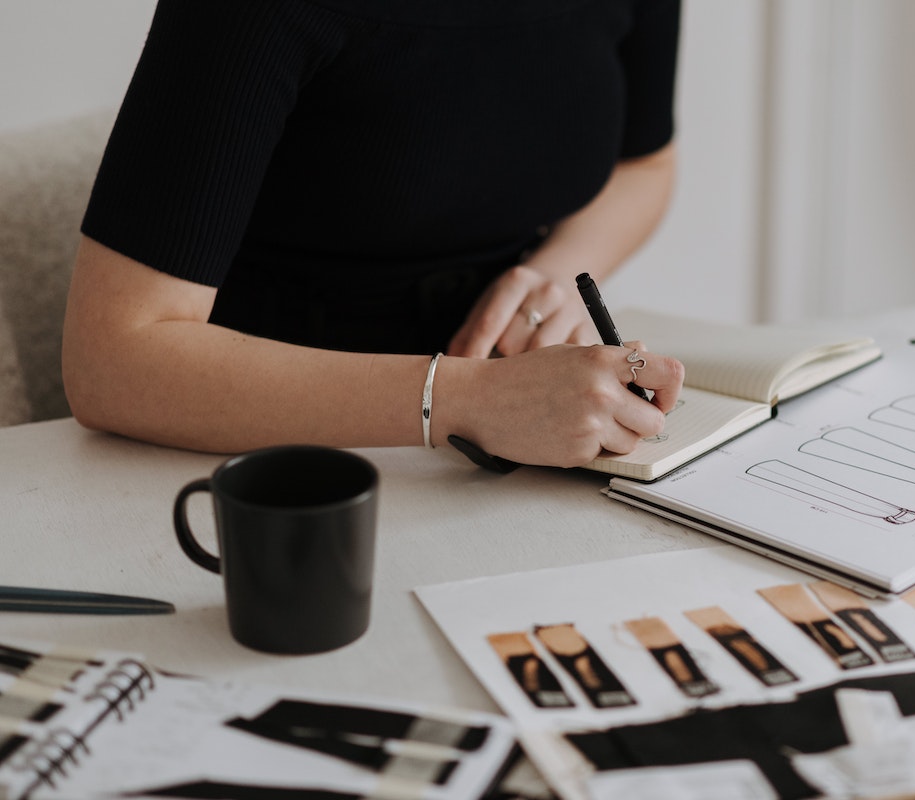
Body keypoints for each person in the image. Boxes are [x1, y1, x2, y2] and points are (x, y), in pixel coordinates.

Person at [60, 0, 685, 468]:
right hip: (266, 453)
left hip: (520, 422)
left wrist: (560, 270)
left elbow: (645, 162)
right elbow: (110, 361)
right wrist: (469, 401)